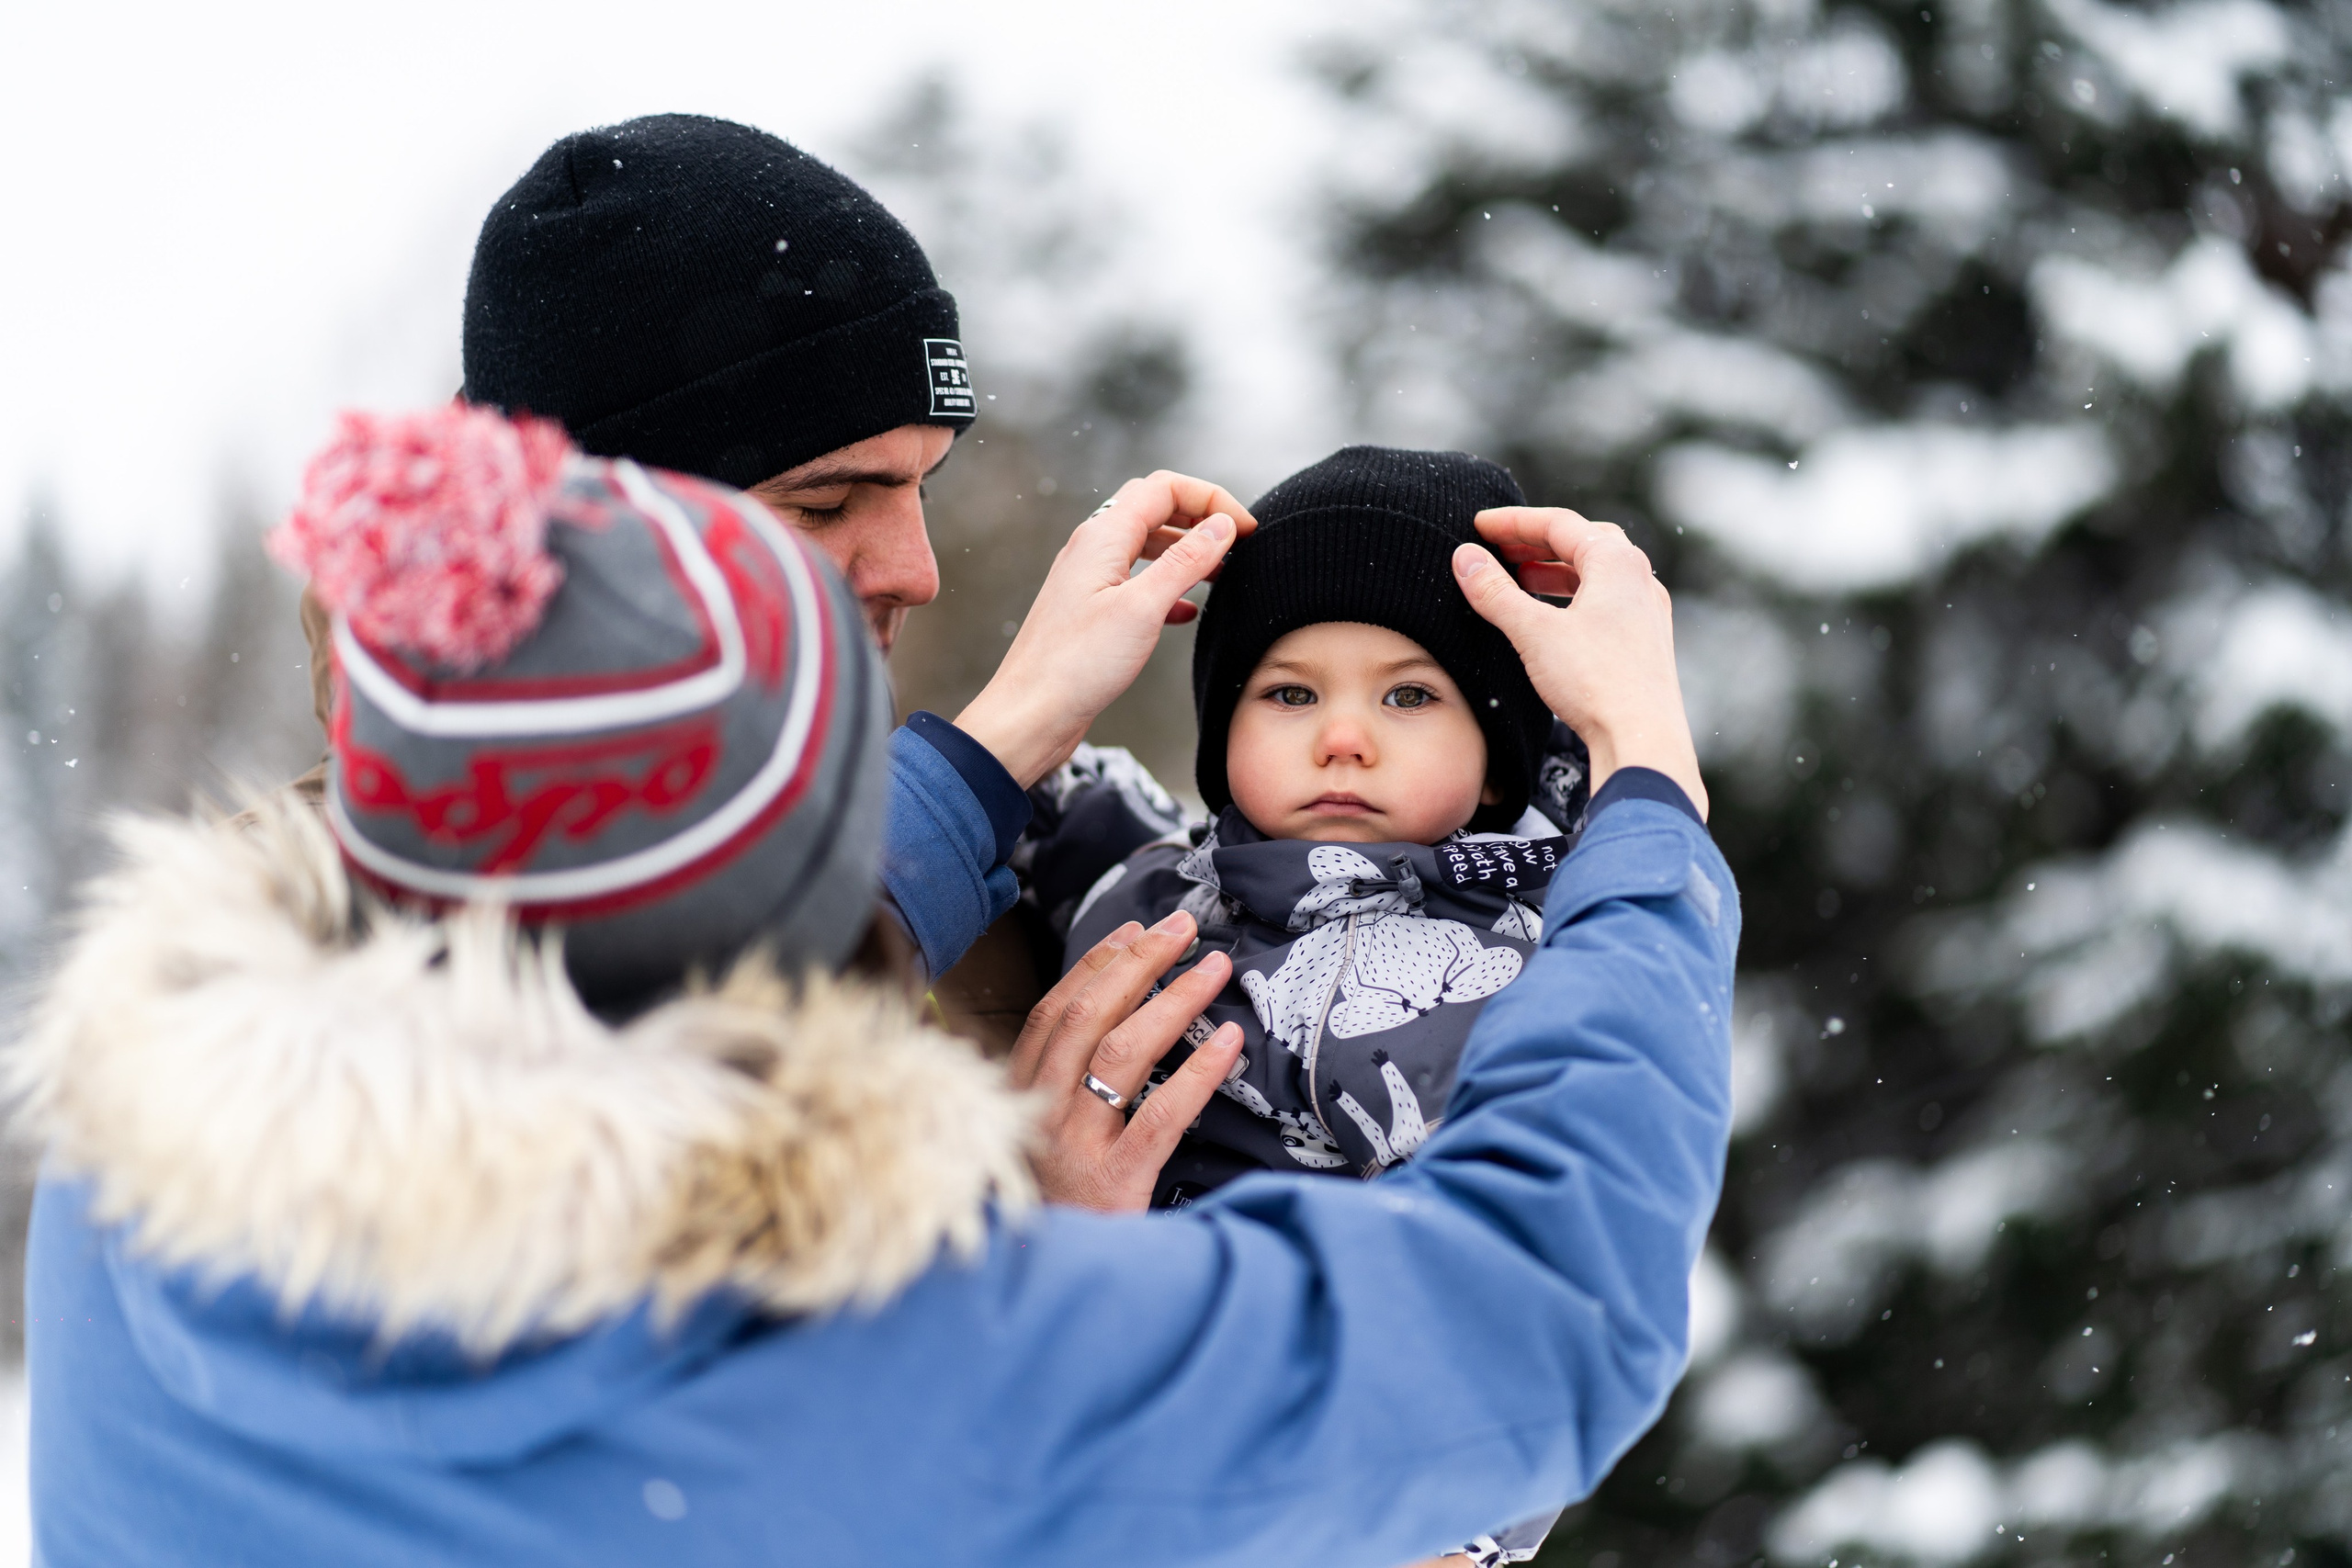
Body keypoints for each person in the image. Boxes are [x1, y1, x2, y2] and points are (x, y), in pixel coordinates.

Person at [21, 401, 1733, 1566]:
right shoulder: (915, 1355)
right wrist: (1644, 780)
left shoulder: (126, 1197)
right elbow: (1544, 1312)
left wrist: (1001, 743)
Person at [439, 112, 1251, 982]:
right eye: (824, 504)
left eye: (922, 488)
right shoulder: (318, 916)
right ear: (591, 537)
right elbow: (668, 1047)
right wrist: (999, 748)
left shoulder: (1031, 865)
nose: (919, 573)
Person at [1052, 446, 1598, 1565]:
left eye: (1408, 694)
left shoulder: (1514, 969)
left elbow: (1528, 1274)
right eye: (1289, 692)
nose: (1341, 735)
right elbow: (1002, 809)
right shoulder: (1157, 884)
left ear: (1495, 764)